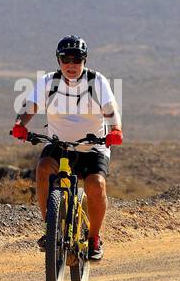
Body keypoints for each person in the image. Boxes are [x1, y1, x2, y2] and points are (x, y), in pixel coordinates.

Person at [10, 35, 122, 260]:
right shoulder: (49, 82)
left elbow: (110, 110)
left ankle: (94, 237)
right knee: (43, 169)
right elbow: (30, 106)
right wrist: (20, 125)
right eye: (66, 59)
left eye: (77, 59)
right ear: (58, 60)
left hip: (93, 147)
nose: (71, 65)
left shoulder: (96, 81)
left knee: (96, 185)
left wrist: (115, 129)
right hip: (59, 144)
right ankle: (49, 230)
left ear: (85, 60)